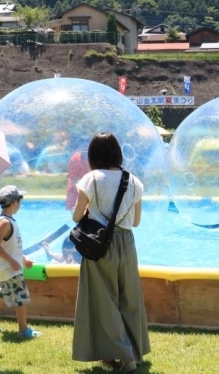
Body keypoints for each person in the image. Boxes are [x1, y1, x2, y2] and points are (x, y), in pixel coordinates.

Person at [71, 132, 149, 373]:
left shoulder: (91, 179)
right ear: (118, 153)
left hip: (99, 244)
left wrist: (92, 214)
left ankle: (126, 358)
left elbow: (76, 216)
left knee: (103, 300)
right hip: (126, 243)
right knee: (129, 298)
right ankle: (126, 351)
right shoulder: (134, 181)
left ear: (93, 156)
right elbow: (136, 222)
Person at [0, 185, 42, 338]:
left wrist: (23, 259)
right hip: (10, 268)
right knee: (21, 298)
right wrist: (12, 262)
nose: (19, 205)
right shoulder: (5, 223)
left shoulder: (9, 221)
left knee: (3, 293)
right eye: (19, 201)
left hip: (10, 267)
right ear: (14, 202)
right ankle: (23, 330)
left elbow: (12, 247)